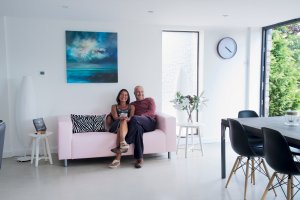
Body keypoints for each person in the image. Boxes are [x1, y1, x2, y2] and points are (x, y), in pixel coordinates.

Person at [126, 85, 156, 168]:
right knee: (138, 129)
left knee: (135, 118)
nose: (140, 93)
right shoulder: (132, 104)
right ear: (134, 93)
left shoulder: (150, 100)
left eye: (142, 91)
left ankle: (126, 142)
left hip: (149, 122)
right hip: (138, 124)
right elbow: (127, 114)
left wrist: (140, 117)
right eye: (138, 92)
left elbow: (152, 112)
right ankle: (140, 159)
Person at [108, 89, 135, 169]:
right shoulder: (114, 106)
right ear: (119, 96)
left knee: (122, 127)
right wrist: (123, 118)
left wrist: (127, 119)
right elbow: (115, 118)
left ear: (128, 97)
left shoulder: (132, 107)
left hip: (125, 128)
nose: (124, 96)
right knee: (122, 121)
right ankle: (123, 143)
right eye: (122, 94)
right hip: (115, 125)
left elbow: (131, 117)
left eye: (126, 95)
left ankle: (117, 159)